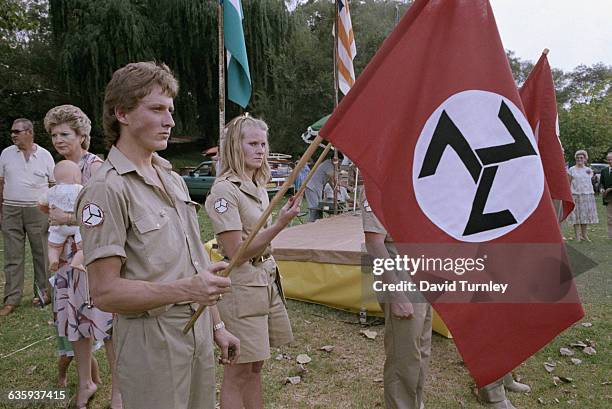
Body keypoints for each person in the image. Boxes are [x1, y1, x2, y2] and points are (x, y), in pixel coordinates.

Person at [76, 61, 239, 409]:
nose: (170, 121)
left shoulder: (172, 178)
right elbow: (104, 292)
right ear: (122, 112)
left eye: (170, 110)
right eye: (157, 109)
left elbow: (194, 264)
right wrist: (186, 289)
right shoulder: (107, 189)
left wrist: (217, 327)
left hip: (195, 332)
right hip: (150, 339)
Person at [205, 114, 301, 409]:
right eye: (253, 144)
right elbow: (236, 251)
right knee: (238, 370)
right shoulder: (225, 191)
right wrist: (280, 224)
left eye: (263, 144)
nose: (261, 150)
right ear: (236, 146)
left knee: (256, 365)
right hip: (242, 287)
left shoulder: (257, 187)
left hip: (264, 279)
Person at [43, 104, 120, 408]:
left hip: (94, 256)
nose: (58, 140)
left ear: (81, 135)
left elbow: (105, 217)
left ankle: (119, 389)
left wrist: (66, 219)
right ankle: (86, 381)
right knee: (73, 321)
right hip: (65, 258)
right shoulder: (60, 170)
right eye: (53, 134)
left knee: (107, 321)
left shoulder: (95, 167)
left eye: (64, 134)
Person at [361, 191, 432, 409]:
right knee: (404, 356)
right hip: (399, 274)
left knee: (421, 350)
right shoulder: (378, 183)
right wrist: (396, 292)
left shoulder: (412, 178)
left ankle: (415, 403)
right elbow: (374, 243)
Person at [0, 118, 55, 316]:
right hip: (11, 209)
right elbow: (1, 183)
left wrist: (51, 211)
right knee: (12, 256)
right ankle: (11, 300)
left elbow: (52, 185)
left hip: (37, 210)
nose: (13, 134)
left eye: (17, 131)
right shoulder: (6, 154)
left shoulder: (45, 155)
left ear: (29, 132)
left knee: (41, 254)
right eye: (12, 131)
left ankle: (43, 294)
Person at [39, 160, 84, 272]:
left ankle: (54, 259)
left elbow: (40, 203)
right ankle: (77, 262)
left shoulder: (51, 191)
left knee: (54, 246)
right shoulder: (80, 188)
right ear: (75, 176)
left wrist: (48, 211)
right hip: (77, 226)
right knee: (83, 246)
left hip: (58, 227)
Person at [567, 150, 598, 242]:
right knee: (576, 216)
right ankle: (577, 236)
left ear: (585, 159)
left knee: (585, 216)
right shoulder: (571, 170)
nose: (579, 159)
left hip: (587, 195)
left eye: (581, 158)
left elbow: (590, 182)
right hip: (575, 195)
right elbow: (568, 183)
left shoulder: (588, 170)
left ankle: (584, 235)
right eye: (577, 158)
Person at [305, 157, 334, 222]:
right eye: (340, 162)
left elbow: (329, 179)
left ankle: (318, 222)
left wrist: (334, 188)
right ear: (334, 159)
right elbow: (332, 177)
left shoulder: (331, 165)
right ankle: (311, 223)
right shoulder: (328, 164)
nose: (340, 164)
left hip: (317, 187)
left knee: (319, 206)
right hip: (311, 186)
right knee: (314, 207)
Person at [599, 151, 612, 239]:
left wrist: (610, 188)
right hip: (608, 197)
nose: (610, 161)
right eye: (609, 160)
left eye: (611, 159)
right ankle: (610, 235)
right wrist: (602, 189)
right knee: (609, 217)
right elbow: (601, 183)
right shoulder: (604, 171)